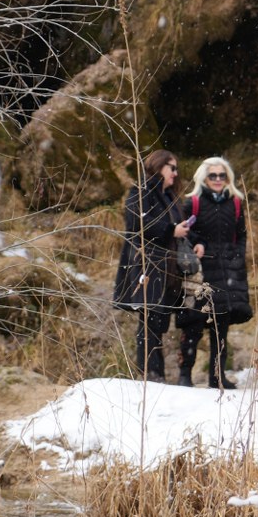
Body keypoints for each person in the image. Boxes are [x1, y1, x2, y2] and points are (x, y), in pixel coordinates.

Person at [113, 150, 190, 383]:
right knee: (149, 322)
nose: (175, 174)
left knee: (160, 321)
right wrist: (171, 230)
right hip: (146, 265)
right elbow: (137, 224)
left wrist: (186, 236)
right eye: (172, 168)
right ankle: (150, 375)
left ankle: (157, 376)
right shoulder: (141, 191)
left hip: (167, 269)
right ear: (159, 167)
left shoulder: (168, 197)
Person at [177, 156, 253, 389]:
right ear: (204, 178)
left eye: (222, 175)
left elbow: (241, 234)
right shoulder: (193, 203)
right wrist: (199, 243)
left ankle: (217, 376)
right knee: (194, 323)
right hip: (201, 271)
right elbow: (184, 232)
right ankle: (185, 375)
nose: (218, 179)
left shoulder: (236, 203)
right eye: (213, 175)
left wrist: (237, 255)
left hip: (228, 270)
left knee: (221, 326)